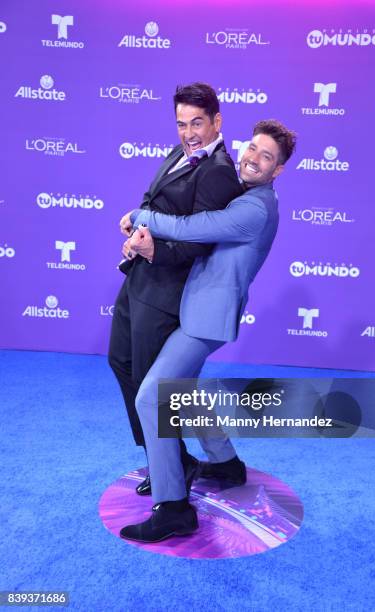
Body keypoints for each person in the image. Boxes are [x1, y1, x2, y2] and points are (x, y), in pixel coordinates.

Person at [119, 119, 297, 543]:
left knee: (153, 396)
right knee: (186, 392)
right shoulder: (249, 196)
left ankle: (172, 507)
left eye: (266, 156)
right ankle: (225, 462)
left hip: (206, 318)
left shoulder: (256, 208)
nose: (253, 158)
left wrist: (141, 215)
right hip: (199, 309)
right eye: (252, 148)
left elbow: (189, 229)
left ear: (278, 170)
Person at [108, 83, 243, 496]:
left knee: (157, 389)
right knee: (120, 362)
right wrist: (136, 226)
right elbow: (152, 199)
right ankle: (168, 457)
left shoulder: (219, 170)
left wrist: (155, 249)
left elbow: (202, 241)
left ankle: (171, 468)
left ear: (217, 121)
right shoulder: (179, 153)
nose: (189, 132)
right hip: (139, 277)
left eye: (197, 123)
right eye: (182, 124)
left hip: (166, 290)